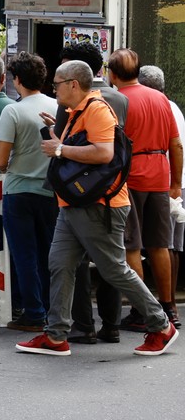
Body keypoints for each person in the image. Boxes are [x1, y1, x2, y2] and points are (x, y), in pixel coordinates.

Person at [16, 60, 178, 356]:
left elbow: (104, 153)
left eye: (57, 85)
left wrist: (60, 149)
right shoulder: (79, 111)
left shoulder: (97, 109)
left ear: (73, 84)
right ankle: (55, 336)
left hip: (98, 205)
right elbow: (86, 148)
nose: (54, 90)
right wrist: (59, 138)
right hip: (77, 204)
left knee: (114, 269)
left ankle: (161, 325)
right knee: (60, 264)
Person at [53, 41, 127, 345]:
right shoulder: (119, 99)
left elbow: (69, 148)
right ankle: (112, 324)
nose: (56, 88)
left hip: (80, 191)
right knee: (109, 262)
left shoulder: (76, 103)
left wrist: (56, 143)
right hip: (112, 188)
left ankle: (83, 325)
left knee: (81, 264)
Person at [107, 48, 183, 331]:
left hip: (131, 177)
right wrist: (175, 182)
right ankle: (169, 307)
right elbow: (176, 144)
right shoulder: (161, 99)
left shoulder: (117, 100)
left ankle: (142, 310)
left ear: (112, 75)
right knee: (160, 245)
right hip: (159, 175)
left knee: (131, 246)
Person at [0, 52, 59, 332]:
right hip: (51, 191)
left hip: (19, 190)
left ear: (17, 79)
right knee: (49, 254)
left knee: (24, 255)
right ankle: (49, 307)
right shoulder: (59, 107)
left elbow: (0, 160)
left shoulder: (13, 111)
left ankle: (33, 312)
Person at [139, 65, 185, 328]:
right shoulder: (174, 107)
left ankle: (160, 307)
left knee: (156, 246)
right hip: (175, 183)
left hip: (163, 183)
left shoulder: (156, 107)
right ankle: (170, 306)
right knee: (171, 246)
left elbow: (172, 147)